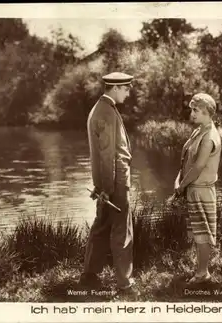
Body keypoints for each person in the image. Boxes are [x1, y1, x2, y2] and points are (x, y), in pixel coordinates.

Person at [79, 72, 138, 296]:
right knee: (122, 230)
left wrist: (102, 187)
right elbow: (106, 155)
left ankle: (89, 276)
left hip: (107, 181)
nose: (128, 92)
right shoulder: (105, 112)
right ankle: (125, 284)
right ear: (115, 88)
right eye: (126, 88)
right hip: (115, 181)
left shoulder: (103, 108)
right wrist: (106, 188)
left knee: (101, 226)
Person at [174, 92, 222, 283]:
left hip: (202, 190)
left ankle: (203, 274)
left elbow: (199, 166)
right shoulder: (199, 130)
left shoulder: (209, 136)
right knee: (196, 232)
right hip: (192, 188)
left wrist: (181, 186)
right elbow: (187, 160)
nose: (192, 113)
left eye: (196, 110)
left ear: (207, 112)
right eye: (191, 109)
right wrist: (178, 181)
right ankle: (201, 270)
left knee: (203, 235)